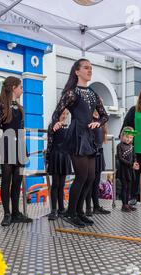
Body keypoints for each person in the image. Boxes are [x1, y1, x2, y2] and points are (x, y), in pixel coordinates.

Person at [50, 59, 109, 228]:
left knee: (90, 177)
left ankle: (79, 211)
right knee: (82, 176)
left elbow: (105, 115)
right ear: (77, 71)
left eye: (91, 68)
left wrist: (98, 123)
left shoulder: (93, 93)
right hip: (76, 136)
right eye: (86, 68)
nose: (90, 70)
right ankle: (70, 213)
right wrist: (56, 122)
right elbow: (56, 112)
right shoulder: (71, 92)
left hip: (89, 137)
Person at [0, 76, 32, 226]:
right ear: (14, 88)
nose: (22, 90)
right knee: (6, 180)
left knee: (17, 180)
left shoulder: (20, 108)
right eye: (21, 87)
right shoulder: (2, 106)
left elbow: (21, 130)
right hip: (6, 146)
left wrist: (25, 150)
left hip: (19, 147)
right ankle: (7, 214)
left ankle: (16, 212)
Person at [45, 109, 72, 220]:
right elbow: (50, 143)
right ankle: (53, 210)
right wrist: (47, 159)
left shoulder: (68, 126)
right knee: (55, 184)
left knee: (62, 184)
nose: (64, 116)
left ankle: (61, 209)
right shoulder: (53, 126)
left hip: (65, 156)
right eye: (63, 113)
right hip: (55, 156)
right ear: (58, 113)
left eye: (66, 114)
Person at [85, 110, 110, 215]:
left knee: (96, 182)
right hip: (91, 153)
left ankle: (96, 206)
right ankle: (88, 208)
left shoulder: (102, 121)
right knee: (89, 182)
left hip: (99, 153)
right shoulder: (88, 119)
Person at [116, 127, 140, 212]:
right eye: (127, 137)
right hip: (123, 170)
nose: (128, 139)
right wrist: (131, 164)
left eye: (130, 138)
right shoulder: (119, 146)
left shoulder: (131, 146)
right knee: (124, 187)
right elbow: (120, 158)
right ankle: (124, 205)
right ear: (122, 136)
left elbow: (134, 156)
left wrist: (135, 163)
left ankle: (127, 203)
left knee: (129, 187)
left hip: (130, 170)